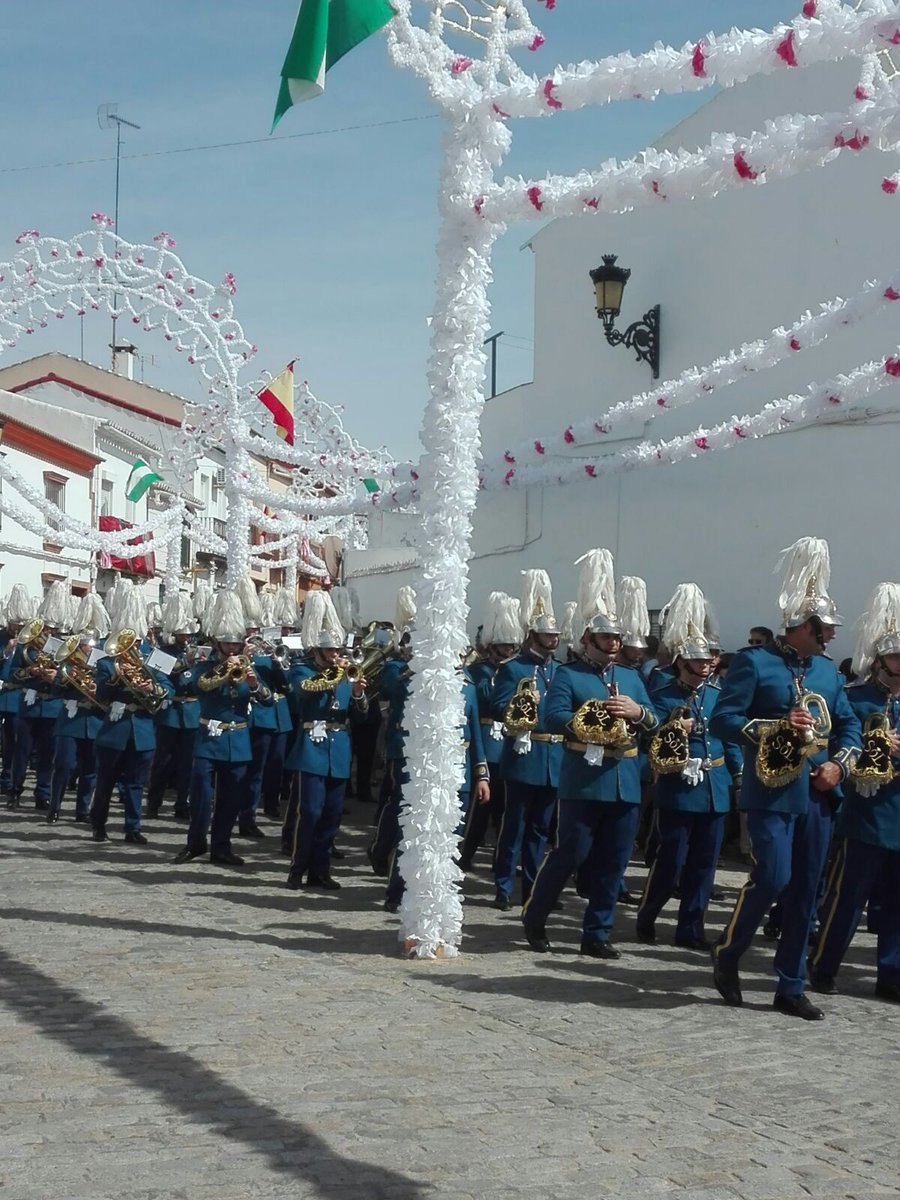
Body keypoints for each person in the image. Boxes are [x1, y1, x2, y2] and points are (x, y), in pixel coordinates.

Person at [710, 537, 861, 1020]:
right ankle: (729, 952)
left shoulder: (827, 673)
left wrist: (840, 764)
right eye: (826, 628)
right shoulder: (755, 663)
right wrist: (774, 727)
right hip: (772, 788)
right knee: (773, 876)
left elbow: (849, 726)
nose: (832, 636)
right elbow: (723, 720)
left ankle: (790, 984)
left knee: (805, 890)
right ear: (804, 627)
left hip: (819, 793)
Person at [522, 549, 657, 957]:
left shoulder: (632, 678)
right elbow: (552, 716)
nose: (614, 644)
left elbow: (656, 720)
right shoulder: (569, 674)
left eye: (617, 638)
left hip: (625, 781)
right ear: (587, 640)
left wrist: (638, 712)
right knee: (571, 853)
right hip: (584, 778)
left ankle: (597, 934)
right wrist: (596, 717)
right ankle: (536, 915)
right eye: (606, 638)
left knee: (614, 863)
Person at [638, 584, 742, 949]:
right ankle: (648, 913)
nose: (707, 666)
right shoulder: (662, 694)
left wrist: (738, 773)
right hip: (679, 787)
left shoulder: (718, 695)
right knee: (671, 860)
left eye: (710, 660)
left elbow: (729, 737)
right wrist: (671, 728)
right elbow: (649, 735)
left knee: (704, 865)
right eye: (699, 661)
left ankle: (690, 927)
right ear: (682, 663)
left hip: (714, 787)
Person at [811, 582, 900, 1002]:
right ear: (880, 660)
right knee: (847, 898)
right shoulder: (856, 697)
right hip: (866, 812)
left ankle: (892, 975)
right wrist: (877, 746)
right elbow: (837, 747)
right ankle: (824, 965)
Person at [174, 589, 270, 866]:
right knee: (201, 796)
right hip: (208, 737)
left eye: (235, 645)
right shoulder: (205, 668)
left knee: (230, 799)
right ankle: (195, 843)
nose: (231, 650)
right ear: (217, 644)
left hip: (237, 738)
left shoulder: (249, 665)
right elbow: (190, 685)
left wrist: (253, 684)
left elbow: (265, 700)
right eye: (227, 645)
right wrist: (208, 667)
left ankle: (221, 846)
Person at [284, 591, 368, 890]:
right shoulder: (300, 669)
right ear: (316, 651)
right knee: (310, 812)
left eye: (337, 651)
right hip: (312, 746)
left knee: (332, 815)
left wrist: (357, 693)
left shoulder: (346, 675)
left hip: (339, 747)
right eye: (329, 652)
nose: (335, 656)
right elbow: (304, 691)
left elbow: (360, 716)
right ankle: (298, 867)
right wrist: (334, 677)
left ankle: (321, 870)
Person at [490, 570, 562, 910]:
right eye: (547, 636)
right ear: (533, 636)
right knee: (514, 825)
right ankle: (503, 886)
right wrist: (519, 705)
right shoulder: (514, 668)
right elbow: (498, 704)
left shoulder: (560, 670)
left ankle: (532, 888)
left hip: (553, 756)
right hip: (524, 752)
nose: (553, 640)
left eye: (555, 635)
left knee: (540, 830)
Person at [90, 590, 174, 845]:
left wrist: (152, 688)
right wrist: (118, 676)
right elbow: (102, 694)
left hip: (143, 730)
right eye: (129, 643)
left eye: (136, 643)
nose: (133, 649)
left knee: (136, 784)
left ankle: (132, 827)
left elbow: (168, 688)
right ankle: (98, 824)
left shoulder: (152, 661)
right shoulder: (106, 663)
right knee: (106, 781)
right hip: (115, 730)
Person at [459, 591, 519, 872]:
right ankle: (464, 853)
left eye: (511, 646)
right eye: (503, 646)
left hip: (507, 744)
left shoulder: (515, 670)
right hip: (484, 739)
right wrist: (499, 677)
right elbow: (483, 698)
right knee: (478, 810)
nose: (508, 651)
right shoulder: (479, 670)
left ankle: (502, 863)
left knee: (504, 811)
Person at [47, 594, 110, 824]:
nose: (87, 649)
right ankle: (54, 806)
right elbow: (56, 690)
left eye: (90, 645)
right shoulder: (69, 660)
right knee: (63, 765)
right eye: (84, 644)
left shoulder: (102, 661)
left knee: (90, 768)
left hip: (94, 719)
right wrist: (66, 679)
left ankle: (82, 810)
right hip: (70, 720)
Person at [145, 592, 200, 820]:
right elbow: (157, 672)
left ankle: (182, 803)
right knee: (163, 761)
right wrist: (183, 663)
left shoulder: (199, 652)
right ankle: (154, 802)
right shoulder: (162, 651)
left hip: (192, 712)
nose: (186, 637)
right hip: (171, 712)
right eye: (182, 633)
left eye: (188, 633)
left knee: (188, 763)